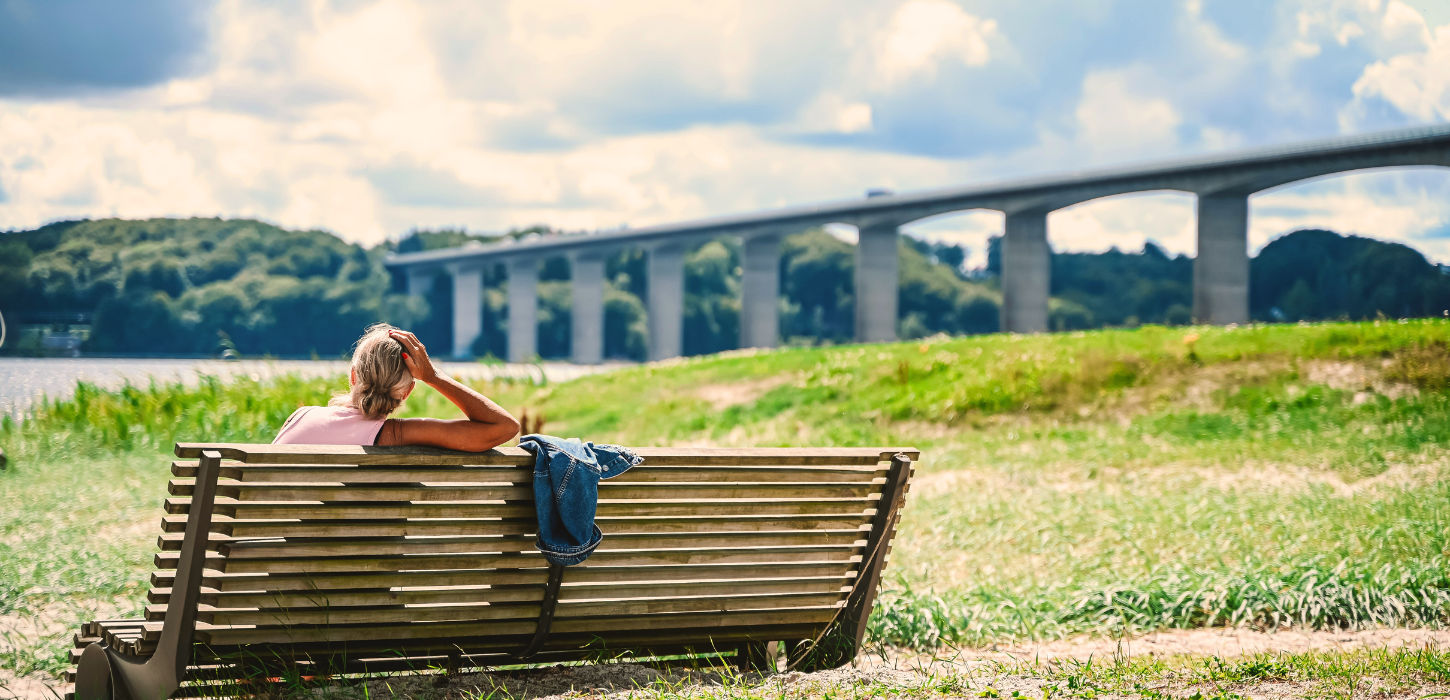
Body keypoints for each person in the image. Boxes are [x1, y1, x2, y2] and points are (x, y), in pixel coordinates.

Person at [273, 324, 520, 450]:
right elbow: (504, 427)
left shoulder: (299, 417)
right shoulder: (396, 435)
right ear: (407, 392)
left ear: (352, 377)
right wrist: (433, 377)